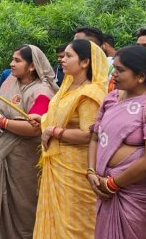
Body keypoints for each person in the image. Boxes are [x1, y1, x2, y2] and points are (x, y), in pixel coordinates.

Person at [87, 46, 146, 239]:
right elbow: (96, 136)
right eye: (114, 68)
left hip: (135, 195)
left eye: (121, 70)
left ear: (140, 76)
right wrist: (90, 172)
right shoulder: (111, 99)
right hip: (104, 190)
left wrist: (114, 184)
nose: (114, 74)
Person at [0, 45, 58, 239]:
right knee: (3, 202)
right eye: (12, 59)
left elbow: (35, 127)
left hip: (25, 160)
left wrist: (4, 123)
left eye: (17, 60)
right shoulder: (10, 83)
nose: (12, 64)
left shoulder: (42, 91)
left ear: (31, 66)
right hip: (5, 153)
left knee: (22, 207)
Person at [32, 39, 108, 239]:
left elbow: (89, 134)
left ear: (85, 63)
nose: (62, 59)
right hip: (57, 164)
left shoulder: (90, 93)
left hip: (76, 169)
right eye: (63, 55)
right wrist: (42, 120)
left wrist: (54, 131)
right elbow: (60, 118)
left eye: (68, 56)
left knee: (73, 224)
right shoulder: (67, 88)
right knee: (55, 220)